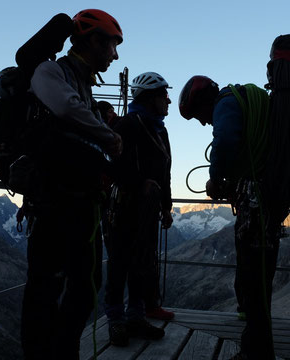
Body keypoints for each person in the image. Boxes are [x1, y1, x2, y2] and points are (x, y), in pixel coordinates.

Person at [179, 34, 290, 360]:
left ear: (203, 100)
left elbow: (226, 140)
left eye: (198, 115)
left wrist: (216, 179)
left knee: (254, 276)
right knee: (261, 274)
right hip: (270, 197)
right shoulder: (251, 95)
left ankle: (255, 353)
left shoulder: (226, 103)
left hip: (256, 200)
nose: (203, 122)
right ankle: (259, 348)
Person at [20, 9, 123, 360]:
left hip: (79, 203)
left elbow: (74, 112)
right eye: (111, 45)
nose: (115, 54)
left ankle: (62, 352)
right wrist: (107, 135)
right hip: (51, 203)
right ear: (93, 40)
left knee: (87, 285)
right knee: (46, 290)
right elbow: (65, 108)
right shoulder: (50, 71)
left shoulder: (80, 82)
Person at [104, 71, 174, 346]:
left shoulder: (159, 130)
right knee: (120, 263)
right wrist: (140, 183)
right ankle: (116, 320)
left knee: (141, 263)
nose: (167, 101)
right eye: (163, 96)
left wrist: (166, 206)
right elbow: (114, 165)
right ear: (149, 98)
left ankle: (135, 316)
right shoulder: (128, 125)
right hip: (124, 205)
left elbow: (164, 172)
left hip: (146, 209)